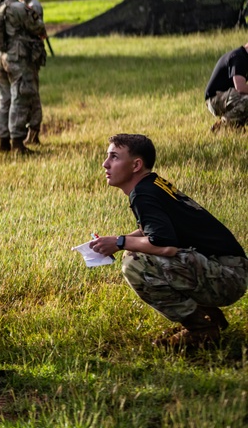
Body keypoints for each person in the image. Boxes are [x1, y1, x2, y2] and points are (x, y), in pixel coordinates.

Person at [89, 134, 247, 349]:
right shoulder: (152, 185)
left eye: (114, 157)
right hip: (228, 270)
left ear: (136, 165)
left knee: (135, 262)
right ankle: (209, 317)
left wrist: (120, 242)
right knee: (138, 252)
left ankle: (201, 329)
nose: (105, 164)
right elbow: (155, 231)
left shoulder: (144, 194)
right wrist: (114, 242)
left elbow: (165, 245)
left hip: (228, 277)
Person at [0, 0, 46, 154]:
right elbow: (38, 27)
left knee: (5, 99)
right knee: (20, 97)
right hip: (17, 58)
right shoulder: (19, 7)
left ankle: (3, 141)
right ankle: (18, 143)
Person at [18, 0, 49, 145]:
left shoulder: (32, 5)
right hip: (23, 55)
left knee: (32, 93)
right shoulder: (19, 3)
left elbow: (36, 29)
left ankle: (34, 131)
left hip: (31, 55)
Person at [203, 38, 248, 131]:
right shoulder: (239, 57)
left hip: (228, 97)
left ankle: (236, 128)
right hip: (214, 99)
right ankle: (221, 127)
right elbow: (241, 87)